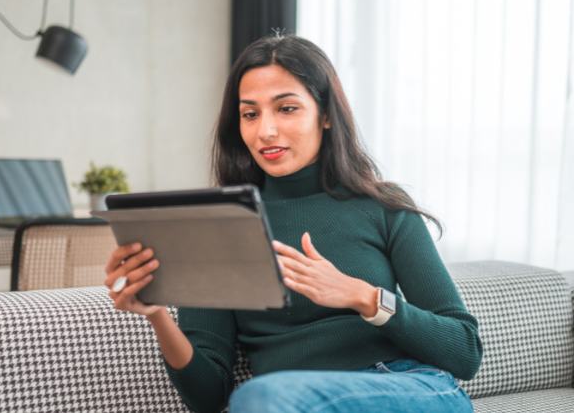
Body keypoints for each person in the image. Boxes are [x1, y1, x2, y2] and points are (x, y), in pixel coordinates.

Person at [103, 34, 483, 413]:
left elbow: (465, 351)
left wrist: (362, 297)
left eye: (286, 109)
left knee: (263, 398)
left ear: (327, 115)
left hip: (408, 388)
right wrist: (155, 313)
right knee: (260, 399)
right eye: (250, 114)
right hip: (285, 403)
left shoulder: (383, 207)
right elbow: (207, 398)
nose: (265, 131)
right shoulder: (218, 228)